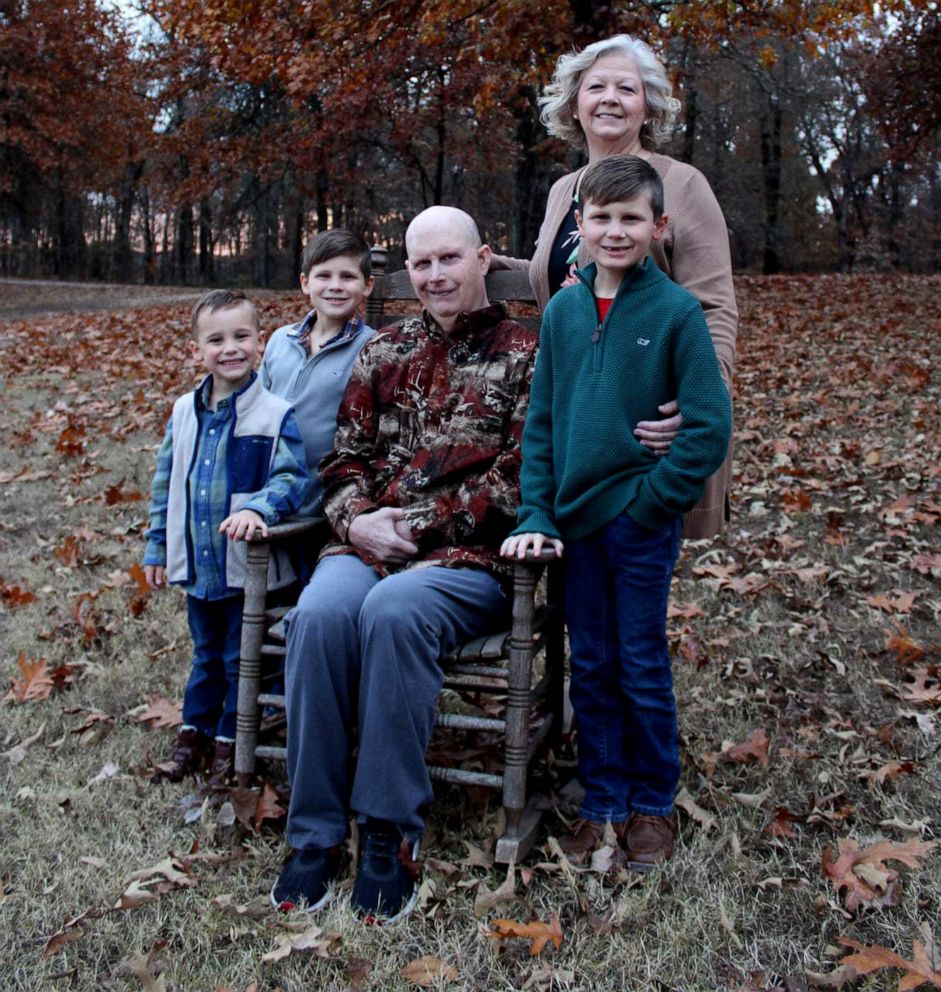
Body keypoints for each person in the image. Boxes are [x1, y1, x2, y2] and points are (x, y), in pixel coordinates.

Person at [271, 206, 538, 923]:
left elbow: (520, 478)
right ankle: (315, 834)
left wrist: (414, 528)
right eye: (420, 264)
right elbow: (343, 458)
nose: (434, 275)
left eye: (448, 259)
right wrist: (356, 520)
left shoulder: (527, 354)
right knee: (320, 616)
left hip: (470, 558)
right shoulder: (383, 350)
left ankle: (389, 834)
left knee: (391, 614)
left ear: (483, 259)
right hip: (366, 540)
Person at [501, 157, 732, 870]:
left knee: (638, 663)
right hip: (572, 525)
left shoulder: (674, 314)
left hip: (636, 524)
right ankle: (600, 801)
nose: (614, 230)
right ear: (578, 226)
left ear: (658, 227)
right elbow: (541, 424)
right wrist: (537, 509)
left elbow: (706, 427)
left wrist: (652, 502)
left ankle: (651, 804)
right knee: (591, 665)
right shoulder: (564, 313)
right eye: (600, 217)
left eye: (630, 217)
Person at [493, 34, 736, 539]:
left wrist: (696, 406)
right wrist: (492, 264)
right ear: (574, 103)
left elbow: (714, 305)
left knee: (637, 578)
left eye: (626, 88)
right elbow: (567, 272)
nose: (609, 98)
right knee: (589, 591)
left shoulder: (683, 184)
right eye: (595, 86)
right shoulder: (566, 190)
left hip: (643, 426)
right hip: (579, 419)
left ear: (646, 105)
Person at [143, 289, 309, 786]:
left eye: (241, 336)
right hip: (201, 564)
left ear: (260, 343)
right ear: (197, 351)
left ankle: (232, 740)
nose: (230, 348)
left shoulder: (274, 413)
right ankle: (194, 730)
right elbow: (164, 483)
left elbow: (290, 479)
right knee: (206, 653)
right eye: (216, 340)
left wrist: (260, 506)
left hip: (246, 569)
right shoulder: (183, 413)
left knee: (243, 658)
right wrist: (156, 545)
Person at [261, 230, 376, 518]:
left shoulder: (374, 348)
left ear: (368, 286)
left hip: (321, 500)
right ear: (305, 283)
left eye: (348, 277)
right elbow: (255, 406)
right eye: (324, 276)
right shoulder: (280, 340)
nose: (335, 286)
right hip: (262, 488)